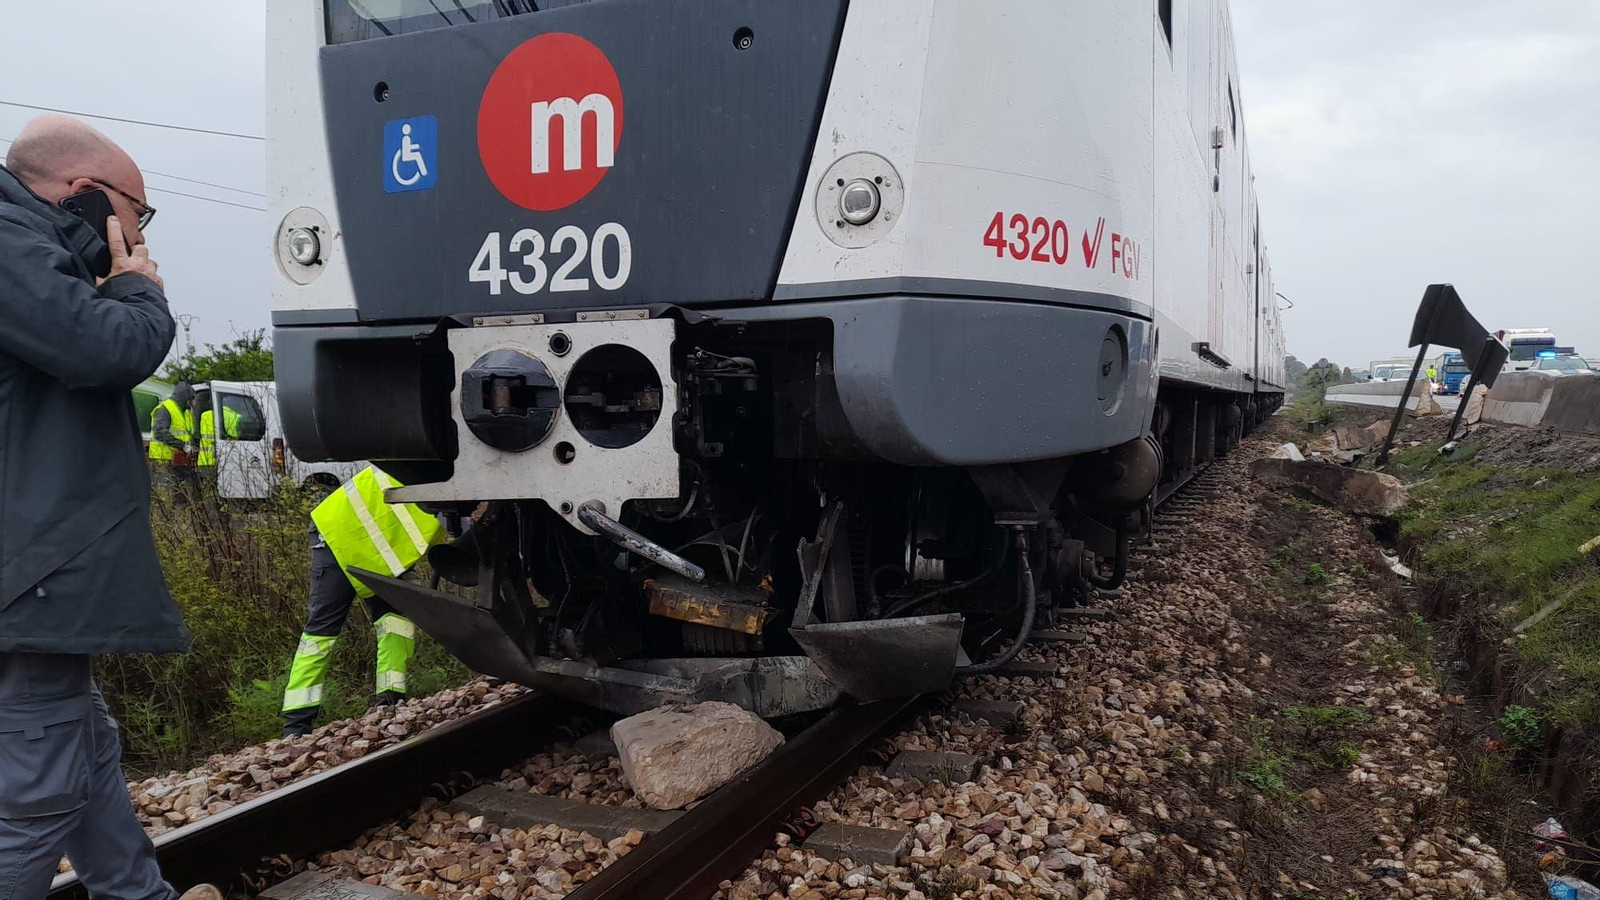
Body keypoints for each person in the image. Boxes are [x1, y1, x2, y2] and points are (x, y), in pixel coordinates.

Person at [0, 116, 218, 900]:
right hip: (31, 574)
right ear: (86, 197)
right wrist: (138, 288)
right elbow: (107, 348)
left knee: (85, 756)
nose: (135, 231)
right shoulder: (8, 241)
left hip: (33, 571)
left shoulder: (29, 250)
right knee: (35, 798)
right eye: (137, 212)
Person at [281, 465, 443, 737]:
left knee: (396, 623)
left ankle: (390, 702)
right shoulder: (437, 471)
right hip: (337, 540)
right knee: (320, 635)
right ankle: (296, 727)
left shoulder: (429, 463)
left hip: (375, 549)